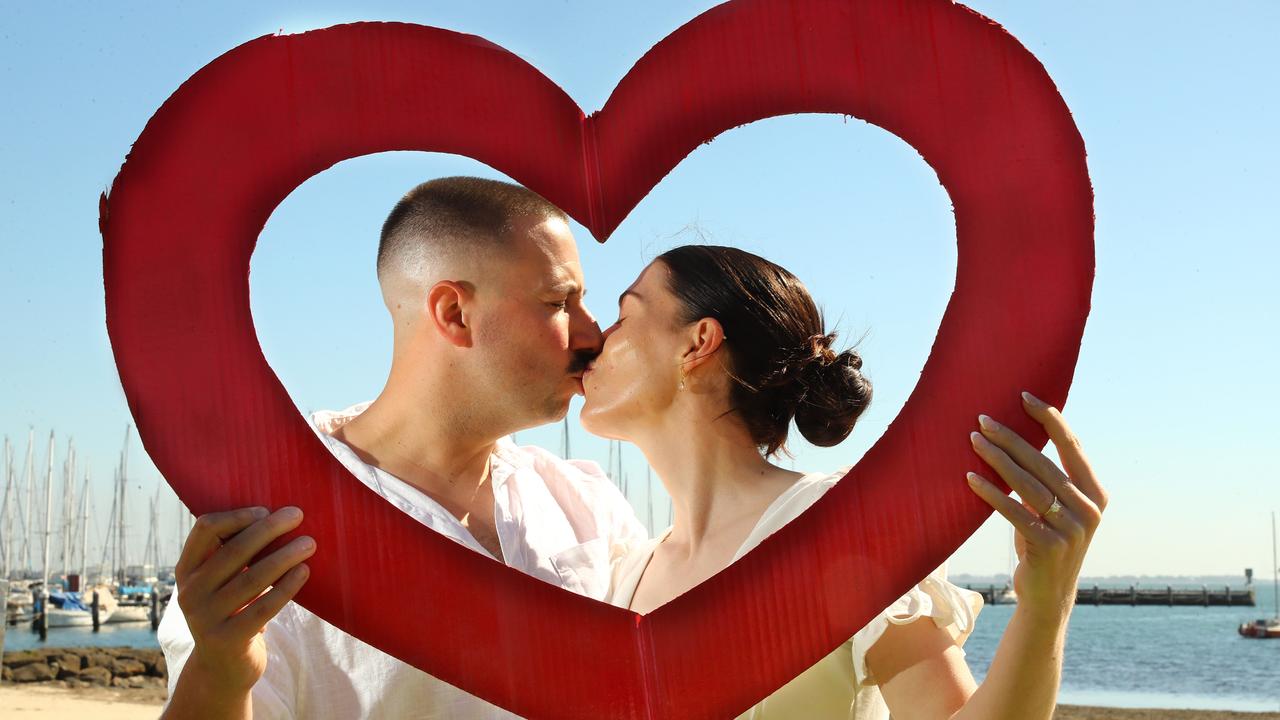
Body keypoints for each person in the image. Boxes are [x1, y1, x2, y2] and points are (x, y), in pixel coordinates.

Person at [159, 177, 647, 719]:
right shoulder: (275, 532)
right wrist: (220, 671)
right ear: (455, 314)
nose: (592, 333)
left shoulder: (586, 500)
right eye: (560, 301)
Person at [581, 244, 1108, 719]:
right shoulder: (625, 575)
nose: (595, 341)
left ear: (698, 343)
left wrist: (1046, 604)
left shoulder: (833, 526)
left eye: (625, 315)